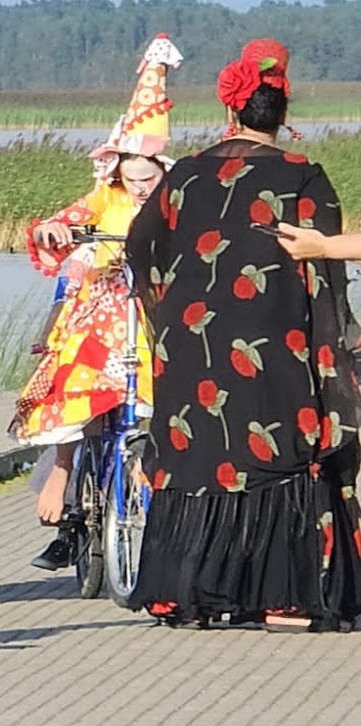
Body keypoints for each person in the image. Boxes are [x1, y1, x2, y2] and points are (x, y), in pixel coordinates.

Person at [125, 38, 361, 630]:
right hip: (274, 335)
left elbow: (140, 244)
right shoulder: (302, 176)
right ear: (284, 117)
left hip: (191, 340)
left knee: (200, 453)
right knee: (276, 450)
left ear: (229, 112)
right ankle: (283, 597)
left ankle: (187, 591)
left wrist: (168, 310)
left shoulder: (182, 176)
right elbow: (323, 268)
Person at [10, 35, 181, 570]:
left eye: (147, 179)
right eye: (130, 180)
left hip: (155, 308)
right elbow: (60, 222)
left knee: (166, 393)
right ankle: (63, 471)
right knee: (73, 376)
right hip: (104, 309)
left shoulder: (180, 199)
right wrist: (57, 233)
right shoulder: (104, 198)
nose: (139, 190)